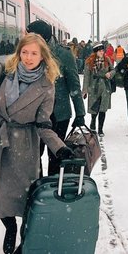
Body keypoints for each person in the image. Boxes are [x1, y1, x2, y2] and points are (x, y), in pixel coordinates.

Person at [0, 33, 75, 254]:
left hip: (23, 148)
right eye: (24, 52)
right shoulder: (5, 71)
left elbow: (43, 124)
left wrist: (59, 147)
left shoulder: (46, 86)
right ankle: (9, 228)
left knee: (25, 199)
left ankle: (24, 236)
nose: (28, 58)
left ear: (43, 56)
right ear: (18, 52)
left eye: (34, 53)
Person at [25, 20, 86, 176]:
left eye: (30, 35)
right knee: (32, 158)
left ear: (41, 37)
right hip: (33, 116)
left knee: (56, 156)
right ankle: (36, 190)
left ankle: (51, 192)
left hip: (58, 115)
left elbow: (74, 86)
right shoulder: (27, 54)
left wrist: (80, 113)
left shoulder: (64, 55)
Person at [82, 43, 114, 137]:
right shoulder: (89, 61)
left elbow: (113, 70)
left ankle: (100, 129)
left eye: (102, 50)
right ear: (96, 52)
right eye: (100, 51)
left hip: (105, 87)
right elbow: (86, 77)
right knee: (94, 108)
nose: (102, 52)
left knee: (103, 109)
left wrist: (110, 74)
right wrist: (85, 90)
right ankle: (92, 123)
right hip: (94, 87)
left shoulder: (107, 59)